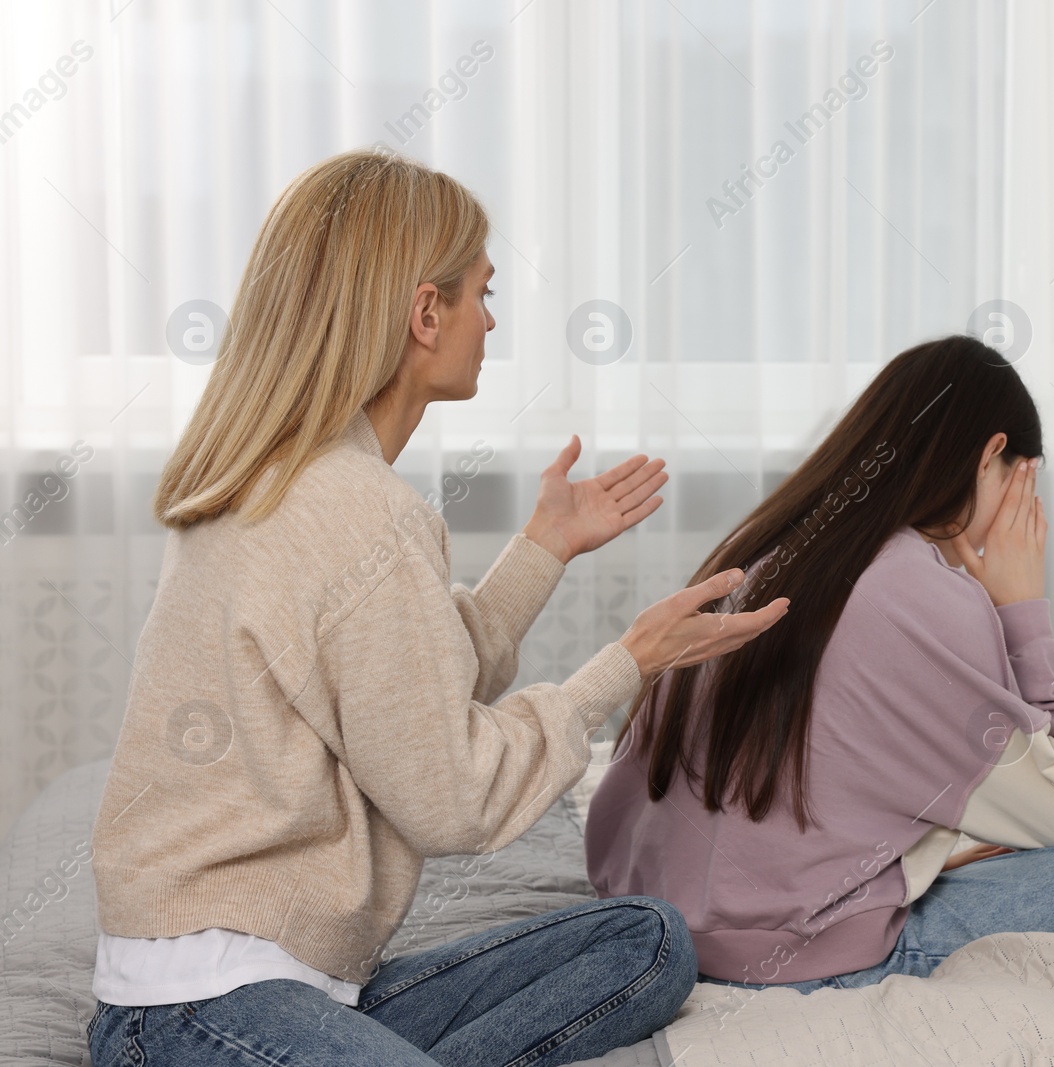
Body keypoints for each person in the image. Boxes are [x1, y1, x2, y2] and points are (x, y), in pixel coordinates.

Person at [86, 148, 788, 1066]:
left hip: (288, 984)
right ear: (426, 313)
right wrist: (629, 663)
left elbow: (405, 687)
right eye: (482, 294)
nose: (491, 321)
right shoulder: (354, 506)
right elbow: (453, 797)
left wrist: (543, 549)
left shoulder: (291, 478)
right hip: (199, 1007)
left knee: (645, 942)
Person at [585, 334, 1054, 992]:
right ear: (992, 454)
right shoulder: (922, 593)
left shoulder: (769, 545)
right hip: (788, 946)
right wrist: (1023, 608)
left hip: (651, 905)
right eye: (1023, 484)